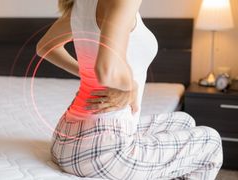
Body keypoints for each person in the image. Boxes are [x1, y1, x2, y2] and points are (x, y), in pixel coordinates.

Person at [36, 0, 223, 179]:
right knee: (211, 141)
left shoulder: (81, 2)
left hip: (65, 139)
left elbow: (44, 47)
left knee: (184, 122)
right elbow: (106, 68)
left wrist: (87, 72)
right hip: (100, 148)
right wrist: (129, 86)